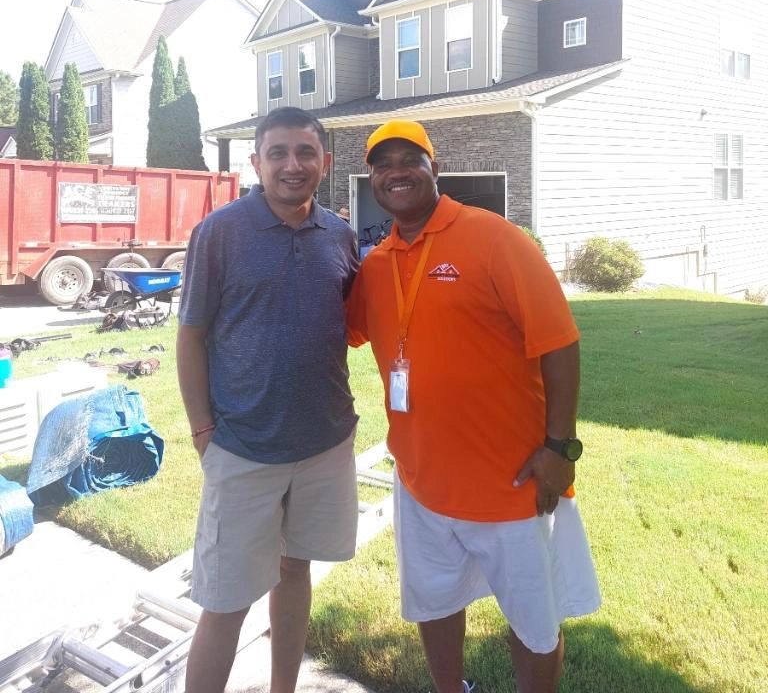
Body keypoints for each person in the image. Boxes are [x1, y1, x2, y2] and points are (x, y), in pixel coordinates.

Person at [346, 120, 600, 693]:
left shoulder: (494, 239)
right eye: (382, 164)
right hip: (420, 482)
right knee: (433, 604)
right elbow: (340, 330)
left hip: (510, 482)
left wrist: (560, 448)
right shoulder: (376, 264)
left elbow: (559, 343)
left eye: (409, 159)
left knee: (534, 620)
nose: (396, 172)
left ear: (435, 168)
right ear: (372, 179)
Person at [177, 106, 359, 693]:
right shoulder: (220, 232)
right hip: (242, 445)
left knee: (295, 568)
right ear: (256, 162)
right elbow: (191, 336)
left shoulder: (341, 235)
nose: (292, 165)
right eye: (277, 153)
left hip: (324, 442)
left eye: (305, 152)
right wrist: (203, 429)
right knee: (225, 599)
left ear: (325, 163)